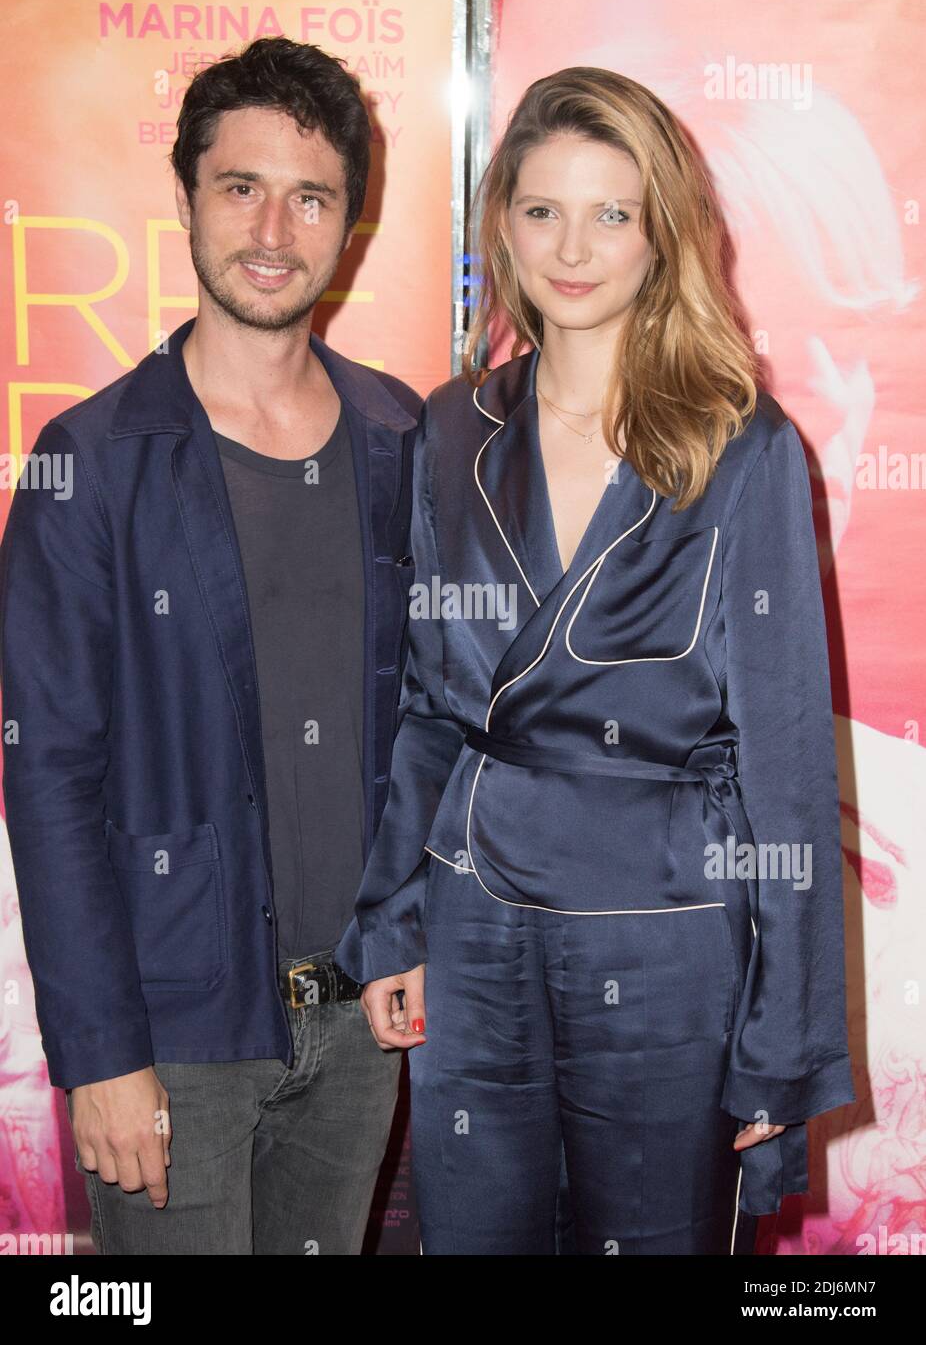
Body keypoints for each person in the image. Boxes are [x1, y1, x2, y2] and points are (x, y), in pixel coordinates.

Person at [336, 66, 857, 1255]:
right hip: (475, 922)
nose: (571, 247)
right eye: (539, 211)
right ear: (501, 226)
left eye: (609, 213)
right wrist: (392, 919)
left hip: (663, 928)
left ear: (659, 233)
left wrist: (780, 1042)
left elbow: (780, 761)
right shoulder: (451, 425)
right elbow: (426, 703)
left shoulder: (741, 447)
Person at [0, 37, 421, 1254]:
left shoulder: (401, 439)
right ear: (185, 197)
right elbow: (49, 775)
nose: (274, 228)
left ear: (350, 219)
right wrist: (100, 1055)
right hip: (172, 1038)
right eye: (240, 186)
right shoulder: (89, 463)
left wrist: (414, 936)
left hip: (359, 1023)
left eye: (311, 194)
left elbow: (436, 727)